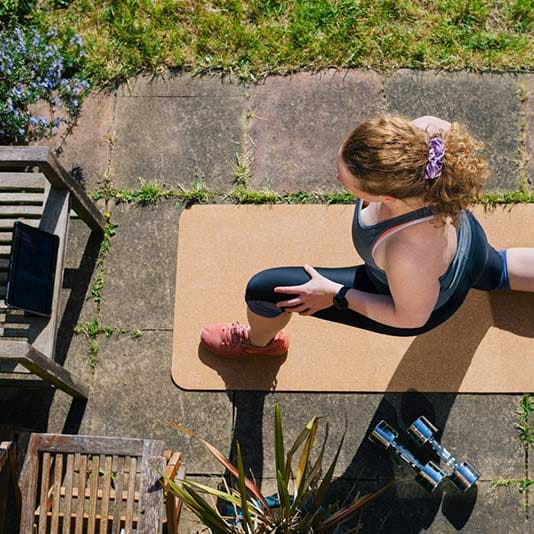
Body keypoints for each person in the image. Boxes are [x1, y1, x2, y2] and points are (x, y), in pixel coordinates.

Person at [200, 114, 534, 358]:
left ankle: (260, 345)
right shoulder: (427, 136)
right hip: (469, 242)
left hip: (422, 297)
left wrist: (336, 294)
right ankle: (498, 271)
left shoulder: (408, 252)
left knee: (265, 289)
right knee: (495, 269)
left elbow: (410, 317)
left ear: (386, 198)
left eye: (345, 180)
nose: (336, 176)